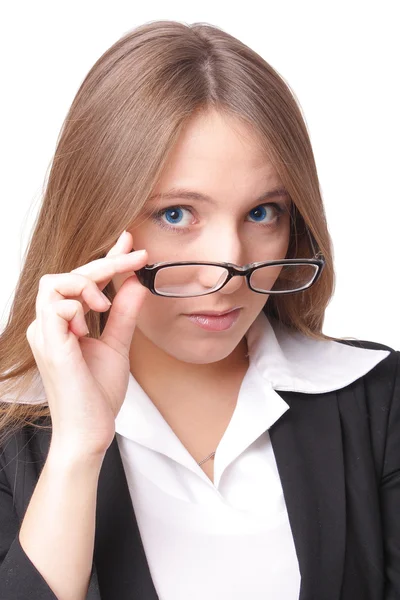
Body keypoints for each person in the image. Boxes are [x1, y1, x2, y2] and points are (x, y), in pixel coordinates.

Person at [0, 19, 398, 600]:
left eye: (262, 212)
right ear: (96, 215)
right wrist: (76, 453)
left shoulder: (378, 401)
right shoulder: (14, 432)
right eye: (177, 214)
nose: (228, 268)